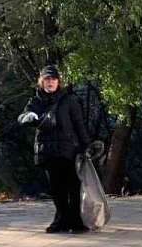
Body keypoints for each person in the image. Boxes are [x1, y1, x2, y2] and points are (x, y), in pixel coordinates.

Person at [18, 64, 90, 233]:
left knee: (73, 186)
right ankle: (61, 220)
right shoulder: (36, 101)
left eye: (53, 79)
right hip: (48, 151)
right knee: (56, 189)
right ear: (41, 82)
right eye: (47, 79)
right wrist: (29, 117)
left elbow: (79, 124)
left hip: (69, 149)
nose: (50, 82)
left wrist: (86, 146)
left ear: (59, 82)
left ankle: (75, 221)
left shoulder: (69, 100)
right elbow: (22, 117)